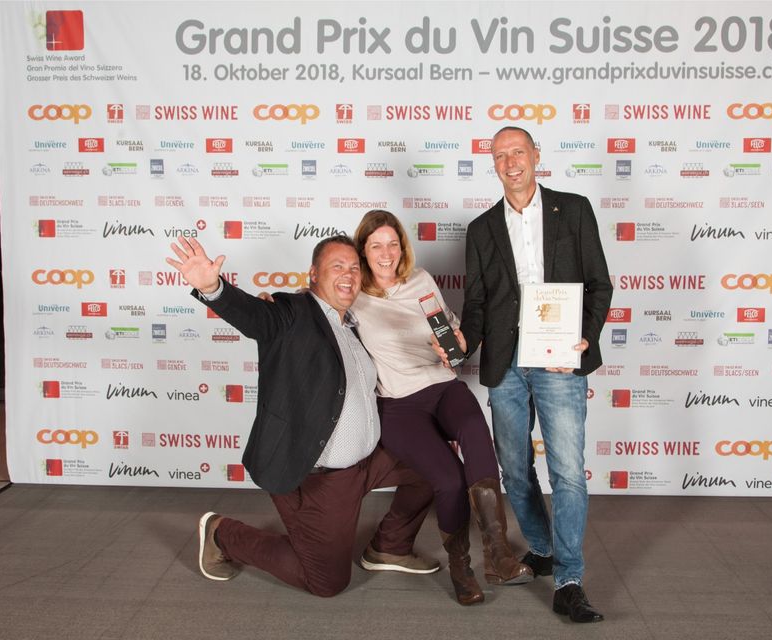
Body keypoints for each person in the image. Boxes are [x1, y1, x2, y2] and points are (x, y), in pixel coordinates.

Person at [165, 235, 439, 597]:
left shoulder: (354, 324)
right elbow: (257, 318)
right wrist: (213, 289)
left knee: (436, 465)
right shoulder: (291, 312)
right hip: (320, 478)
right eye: (337, 266)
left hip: (368, 461)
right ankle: (222, 534)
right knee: (327, 583)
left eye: (354, 268)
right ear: (313, 274)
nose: (348, 274)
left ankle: (389, 546)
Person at [442, 127, 612, 622]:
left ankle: (569, 580)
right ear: (493, 164)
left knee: (566, 472)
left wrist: (585, 339)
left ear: (536, 155)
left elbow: (599, 284)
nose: (510, 162)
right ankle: (541, 546)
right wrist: (461, 345)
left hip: (560, 358)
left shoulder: (573, 209)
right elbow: (476, 305)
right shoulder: (481, 228)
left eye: (518, 152)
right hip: (506, 362)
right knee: (515, 471)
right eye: (500, 155)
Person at [347, 209, 531, 605]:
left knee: (476, 431)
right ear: (363, 251)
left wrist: (457, 347)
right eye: (376, 246)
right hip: (399, 403)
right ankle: (461, 567)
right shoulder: (353, 294)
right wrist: (272, 301)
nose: (386, 253)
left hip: (443, 385)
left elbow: (450, 330)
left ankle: (498, 554)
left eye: (392, 244)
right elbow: (310, 306)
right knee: (449, 479)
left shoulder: (421, 279)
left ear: (402, 247)